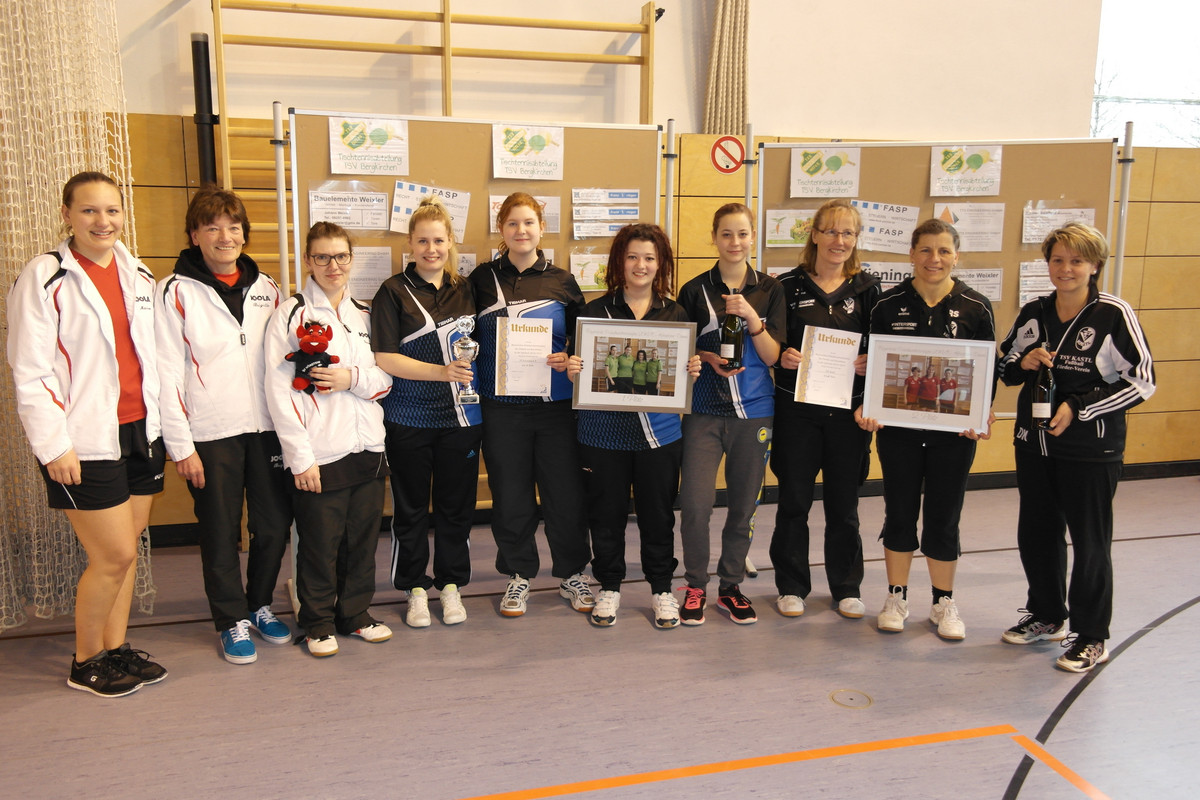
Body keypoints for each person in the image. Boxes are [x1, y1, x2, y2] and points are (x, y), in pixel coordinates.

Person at [8, 171, 166, 697]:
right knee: (112, 556)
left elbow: (151, 360)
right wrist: (54, 446)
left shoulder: (138, 274)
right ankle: (86, 660)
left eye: (112, 210)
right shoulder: (45, 276)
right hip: (84, 439)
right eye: (90, 210)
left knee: (128, 552)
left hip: (139, 430)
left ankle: (115, 649)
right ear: (67, 214)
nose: (103, 221)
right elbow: (30, 371)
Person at [997, 222, 1154, 672]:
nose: (1065, 269)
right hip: (1034, 445)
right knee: (1037, 534)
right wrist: (1024, 362)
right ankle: (1047, 615)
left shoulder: (1112, 314)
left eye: (1077, 261)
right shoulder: (1035, 311)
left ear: (1095, 265)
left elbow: (1142, 381)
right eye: (1058, 260)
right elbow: (1005, 367)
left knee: (1090, 543)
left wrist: (1080, 407)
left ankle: (1091, 635)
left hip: (1090, 450)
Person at [156, 186, 294, 664]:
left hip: (267, 428)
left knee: (273, 526)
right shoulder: (174, 291)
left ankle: (258, 604)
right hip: (210, 433)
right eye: (212, 227)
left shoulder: (268, 289)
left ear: (244, 234)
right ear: (194, 235)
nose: (224, 236)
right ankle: (230, 619)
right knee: (219, 531)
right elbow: (167, 372)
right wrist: (181, 446)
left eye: (233, 227)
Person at [857, 219, 994, 641]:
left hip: (953, 436)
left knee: (944, 516)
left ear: (956, 256)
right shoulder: (887, 304)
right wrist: (868, 405)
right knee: (898, 512)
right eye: (926, 250)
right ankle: (896, 597)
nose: (935, 259)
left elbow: (986, 372)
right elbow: (871, 364)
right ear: (911, 254)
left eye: (944, 251)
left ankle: (943, 602)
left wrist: (980, 414)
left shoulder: (976, 306)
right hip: (898, 432)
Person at [264, 222, 393, 657]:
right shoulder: (291, 314)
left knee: (362, 540)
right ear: (308, 260)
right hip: (320, 451)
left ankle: (355, 614)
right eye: (322, 257)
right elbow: (278, 392)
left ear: (351, 259)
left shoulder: (365, 314)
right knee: (320, 544)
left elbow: (384, 379)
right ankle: (317, 622)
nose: (332, 265)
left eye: (340, 256)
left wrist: (349, 378)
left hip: (368, 446)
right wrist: (300, 458)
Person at [566, 224, 701, 628]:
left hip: (659, 435)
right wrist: (574, 370)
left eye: (649, 258)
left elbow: (676, 380)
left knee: (658, 515)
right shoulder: (593, 313)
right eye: (632, 256)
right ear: (619, 262)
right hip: (601, 435)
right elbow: (583, 371)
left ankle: (661, 588)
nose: (640, 265)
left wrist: (691, 371)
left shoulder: (676, 313)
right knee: (605, 514)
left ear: (660, 264)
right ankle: (609, 586)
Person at [468, 192, 594, 617]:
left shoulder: (562, 281)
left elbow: (583, 342)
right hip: (501, 408)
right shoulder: (481, 279)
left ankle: (572, 573)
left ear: (542, 228)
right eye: (512, 223)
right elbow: (467, 339)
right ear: (501, 229)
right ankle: (518, 574)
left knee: (565, 493)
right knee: (510, 493)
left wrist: (569, 357)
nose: (521, 231)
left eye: (528, 223)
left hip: (555, 407)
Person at [372, 197, 481, 629]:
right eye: (422, 241)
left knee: (456, 508)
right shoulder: (392, 291)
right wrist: (441, 372)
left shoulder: (467, 288)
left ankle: (451, 585)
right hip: (408, 419)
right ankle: (415, 588)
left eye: (438, 240)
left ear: (451, 241)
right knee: (411, 509)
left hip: (461, 421)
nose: (431, 249)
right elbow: (384, 357)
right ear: (410, 244)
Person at [769, 198, 880, 621]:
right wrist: (782, 355)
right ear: (814, 234)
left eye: (848, 232)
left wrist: (871, 360)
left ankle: (846, 587)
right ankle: (791, 586)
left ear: (856, 239)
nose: (839, 240)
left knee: (844, 506)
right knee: (794, 502)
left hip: (848, 416)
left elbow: (883, 348)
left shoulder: (869, 289)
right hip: (797, 412)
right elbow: (771, 344)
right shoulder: (787, 286)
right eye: (831, 230)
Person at [677, 202, 785, 625]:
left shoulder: (770, 289)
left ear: (752, 237)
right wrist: (706, 355)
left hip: (754, 412)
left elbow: (773, 357)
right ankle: (695, 585)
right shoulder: (694, 289)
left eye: (742, 233)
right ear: (714, 237)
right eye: (726, 233)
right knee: (695, 505)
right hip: (703, 412)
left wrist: (752, 318)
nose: (734, 242)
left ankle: (730, 586)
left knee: (743, 506)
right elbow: (684, 349)